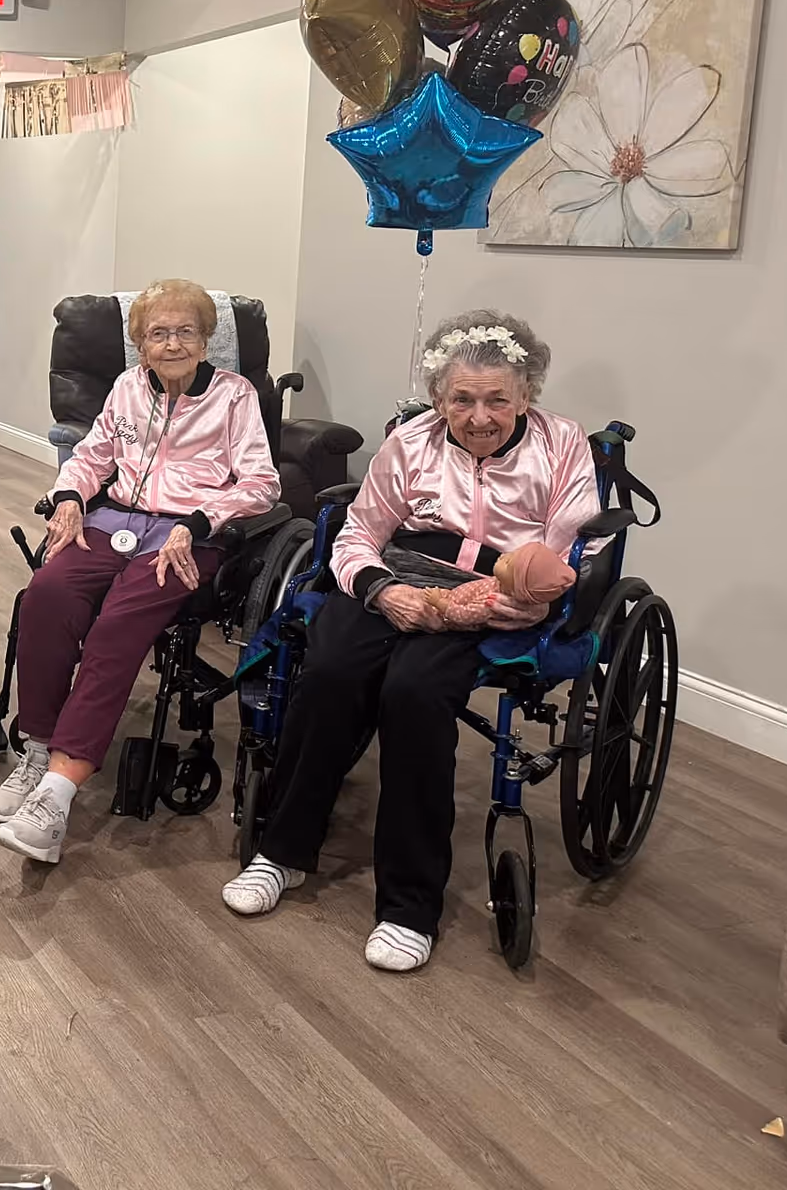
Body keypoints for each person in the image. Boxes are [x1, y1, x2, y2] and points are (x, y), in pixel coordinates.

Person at [222, 311, 600, 972]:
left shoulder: (562, 444)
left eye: (497, 400)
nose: (479, 415)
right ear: (438, 398)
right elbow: (359, 534)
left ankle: (408, 904)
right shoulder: (412, 442)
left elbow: (561, 551)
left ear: (527, 396)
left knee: (415, 692)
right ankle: (280, 852)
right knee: (332, 672)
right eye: (462, 398)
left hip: (494, 591)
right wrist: (382, 592)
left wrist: (479, 607)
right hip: (397, 574)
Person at [0, 278, 280, 863]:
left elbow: (262, 484)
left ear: (206, 339)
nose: (173, 344)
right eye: (158, 334)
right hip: (113, 519)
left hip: (185, 535)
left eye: (186, 332)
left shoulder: (235, 395)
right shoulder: (125, 387)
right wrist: (69, 494)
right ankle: (38, 748)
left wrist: (198, 522)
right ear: (140, 344)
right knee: (45, 594)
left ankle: (58, 791)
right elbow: (94, 457)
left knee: (116, 624)